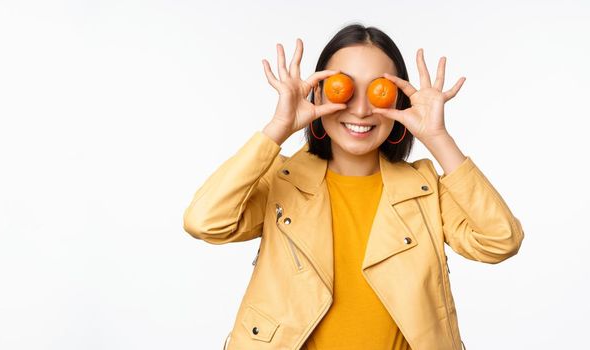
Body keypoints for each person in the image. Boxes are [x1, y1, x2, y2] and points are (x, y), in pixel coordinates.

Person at [182, 24, 524, 350]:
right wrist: (278, 127)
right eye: (343, 87)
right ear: (317, 93)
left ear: (399, 103)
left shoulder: (426, 189)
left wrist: (438, 138)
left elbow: (500, 241)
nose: (361, 110)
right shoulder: (281, 182)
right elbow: (205, 221)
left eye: (379, 91)